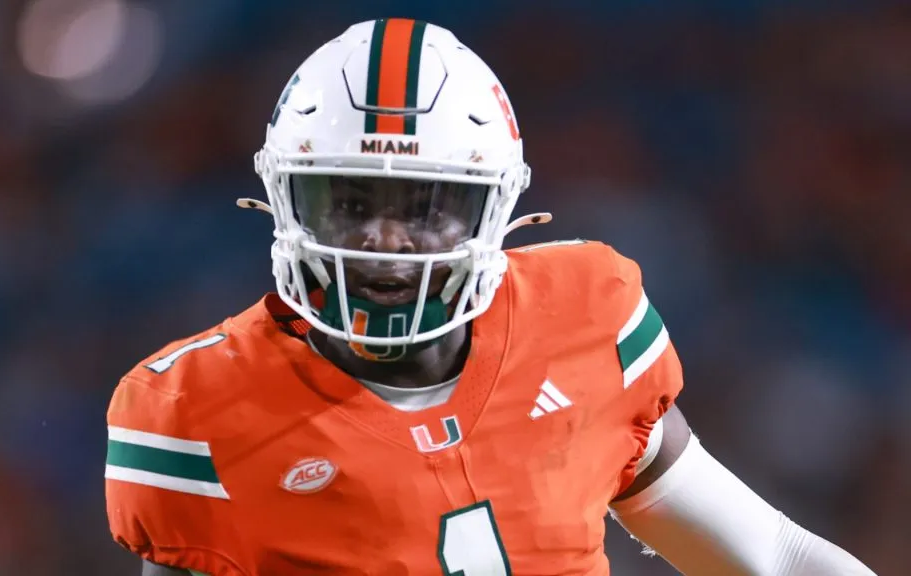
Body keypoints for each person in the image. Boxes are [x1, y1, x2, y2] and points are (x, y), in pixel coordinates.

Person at [105, 18, 877, 576]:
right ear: (286, 198)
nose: (384, 239)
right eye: (350, 201)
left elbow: (771, 556)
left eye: (420, 206)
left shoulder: (585, 319)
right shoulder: (197, 415)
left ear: (495, 209)